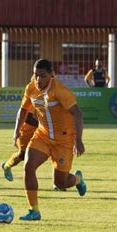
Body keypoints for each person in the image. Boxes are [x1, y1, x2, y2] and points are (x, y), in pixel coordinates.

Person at [13, 59, 86, 221]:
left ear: (51, 75)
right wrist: (16, 130)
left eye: (42, 76)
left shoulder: (60, 91)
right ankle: (34, 210)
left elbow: (78, 114)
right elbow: (23, 110)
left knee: (61, 183)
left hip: (64, 140)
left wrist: (78, 140)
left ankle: (78, 179)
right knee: (28, 166)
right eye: (35, 75)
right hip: (42, 135)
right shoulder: (31, 88)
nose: (38, 79)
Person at [1, 108, 38, 181]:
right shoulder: (32, 97)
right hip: (27, 128)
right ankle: (7, 165)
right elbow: (25, 114)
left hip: (44, 129)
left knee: (51, 150)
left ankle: (57, 182)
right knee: (23, 154)